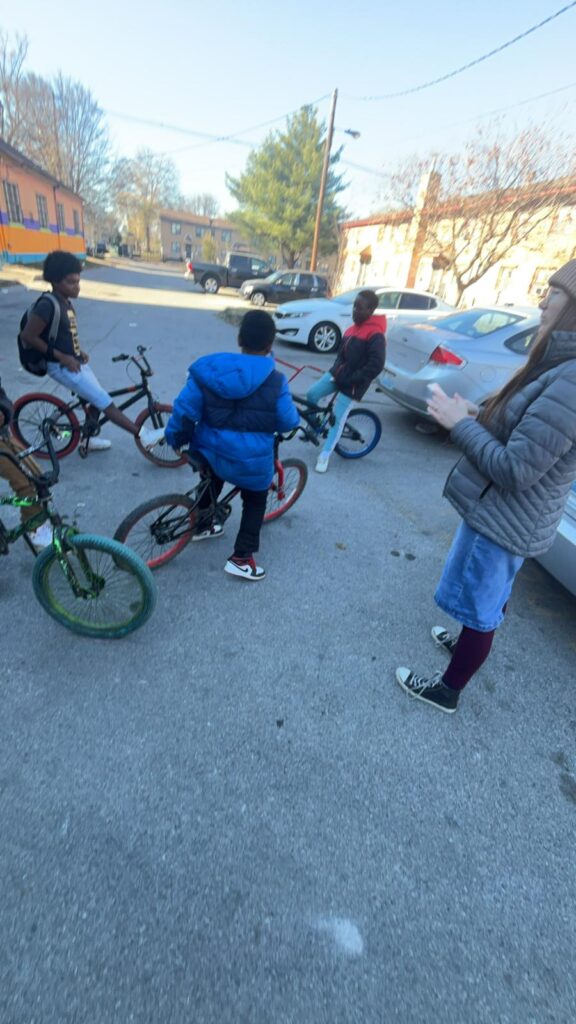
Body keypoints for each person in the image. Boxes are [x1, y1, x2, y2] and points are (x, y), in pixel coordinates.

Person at [395, 260, 576, 714]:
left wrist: (461, 427)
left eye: (553, 294)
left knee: (482, 604)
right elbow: (525, 431)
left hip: (506, 517)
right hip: (509, 516)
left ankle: (447, 691)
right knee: (489, 595)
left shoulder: (571, 379)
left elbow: (516, 468)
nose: (541, 300)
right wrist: (476, 416)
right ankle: (464, 643)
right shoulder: (558, 362)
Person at [164, 310, 299, 580]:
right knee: (256, 498)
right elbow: (287, 421)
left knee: (212, 479)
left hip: (209, 450)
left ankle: (202, 525)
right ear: (270, 345)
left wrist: (175, 439)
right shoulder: (276, 380)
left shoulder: (211, 370)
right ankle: (241, 558)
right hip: (250, 461)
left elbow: (184, 408)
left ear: (239, 338)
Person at [19, 251, 164, 452]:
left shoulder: (66, 303)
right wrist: (63, 357)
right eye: (71, 282)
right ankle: (143, 435)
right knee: (105, 403)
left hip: (76, 363)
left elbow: (63, 336)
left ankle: (86, 439)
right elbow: (28, 336)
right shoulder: (47, 305)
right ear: (55, 281)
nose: (77, 287)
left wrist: (80, 352)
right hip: (61, 366)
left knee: (96, 397)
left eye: (78, 281)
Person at [306, 289, 385, 473]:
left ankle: (324, 455)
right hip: (338, 375)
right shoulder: (351, 329)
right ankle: (315, 424)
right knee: (312, 394)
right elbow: (341, 356)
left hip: (354, 384)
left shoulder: (376, 335)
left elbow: (376, 365)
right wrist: (335, 371)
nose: (355, 311)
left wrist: (352, 379)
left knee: (337, 419)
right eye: (354, 307)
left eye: (360, 308)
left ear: (371, 310)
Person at [0, 377, 52, 548]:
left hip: (3, 433)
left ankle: (35, 523)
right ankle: (35, 529)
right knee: (26, 482)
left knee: (37, 477)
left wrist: (4, 410)